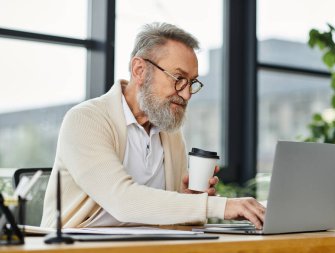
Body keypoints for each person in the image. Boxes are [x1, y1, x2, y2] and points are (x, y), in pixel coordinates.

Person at [41, 22, 265, 229]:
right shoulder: (85, 121)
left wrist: (189, 201)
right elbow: (122, 201)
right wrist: (219, 206)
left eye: (192, 82)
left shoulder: (171, 135)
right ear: (140, 70)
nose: (186, 94)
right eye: (178, 78)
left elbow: (166, 218)